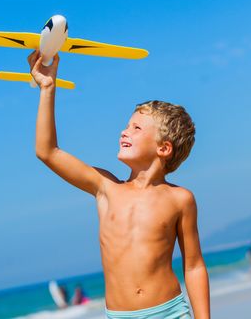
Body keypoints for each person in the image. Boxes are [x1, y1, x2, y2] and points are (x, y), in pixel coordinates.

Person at [28, 51, 210, 319]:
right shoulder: (105, 188)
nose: (124, 131)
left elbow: (193, 266)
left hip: (169, 312)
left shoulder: (180, 199)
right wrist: (47, 87)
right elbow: (48, 152)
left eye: (136, 128)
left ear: (163, 148)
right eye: (126, 126)